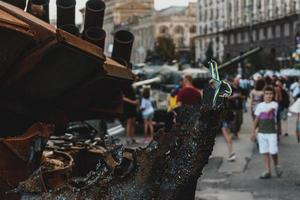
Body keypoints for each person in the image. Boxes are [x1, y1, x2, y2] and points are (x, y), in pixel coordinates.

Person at [251, 86, 283, 179]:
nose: (268, 96)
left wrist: (264, 113)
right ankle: (267, 171)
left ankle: (276, 165)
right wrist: (253, 132)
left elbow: (270, 111)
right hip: (261, 132)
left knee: (273, 151)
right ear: (263, 95)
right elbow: (256, 120)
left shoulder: (274, 104)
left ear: (273, 95)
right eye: (267, 94)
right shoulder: (260, 105)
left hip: (272, 132)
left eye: (270, 94)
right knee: (264, 152)